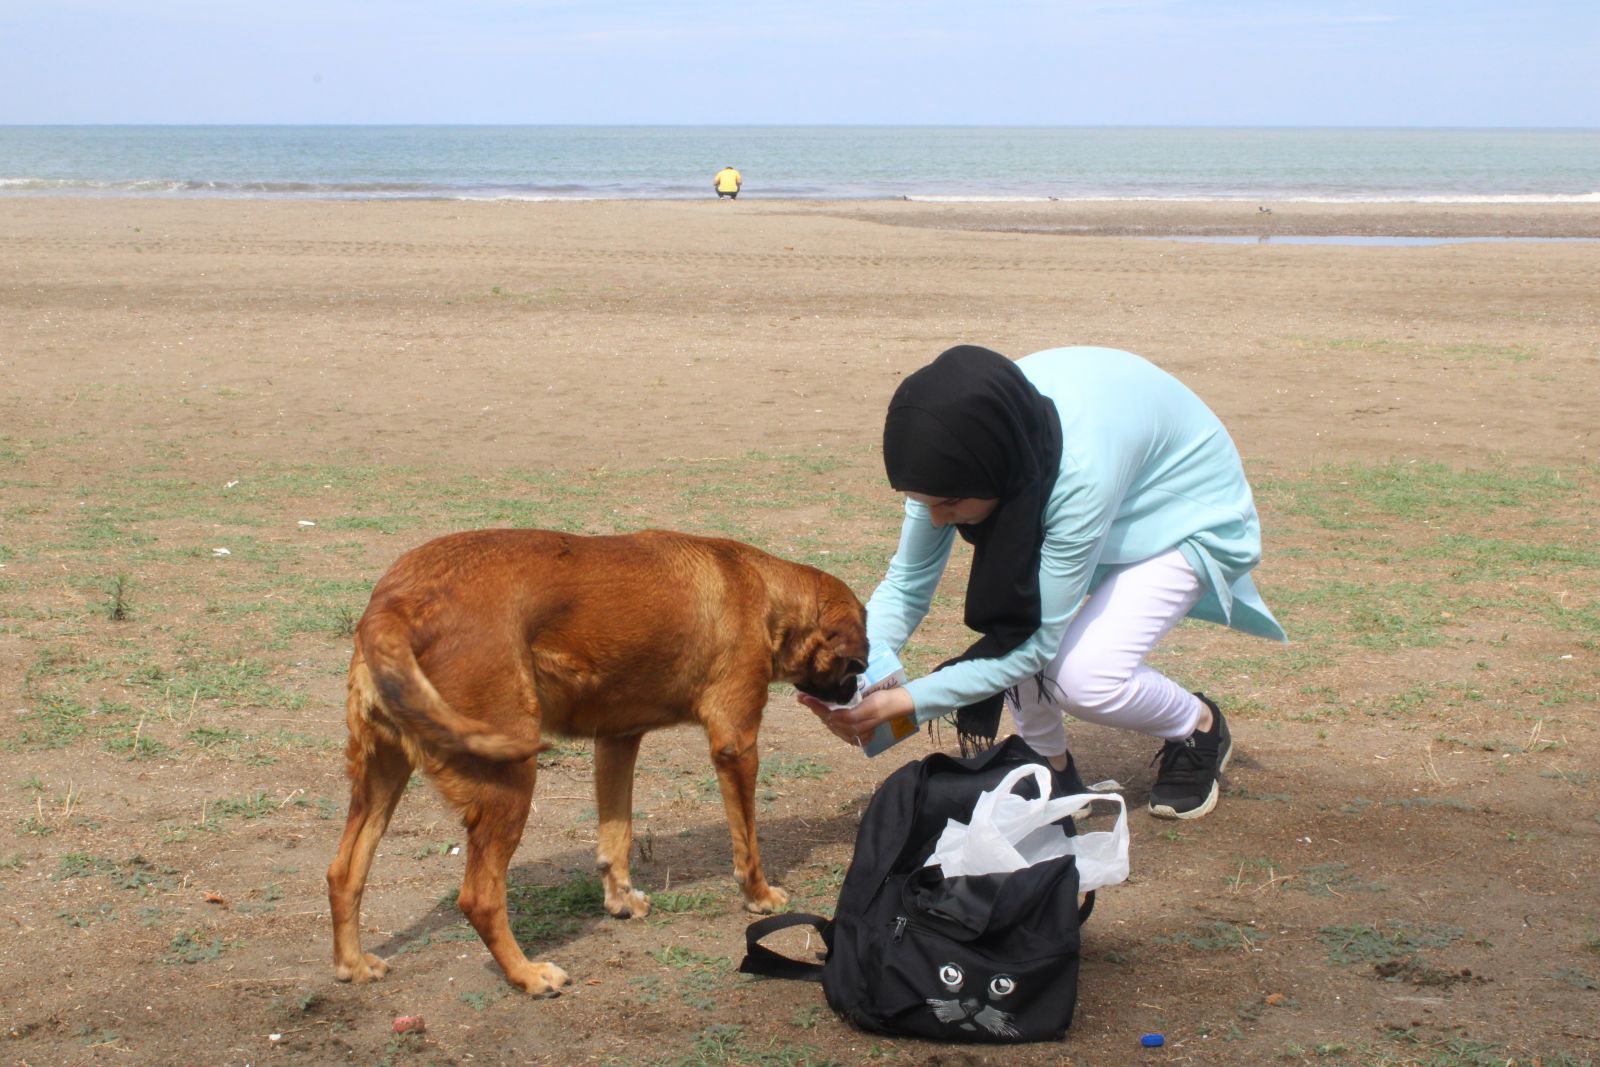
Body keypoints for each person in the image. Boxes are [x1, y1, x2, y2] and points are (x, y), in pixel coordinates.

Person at [800, 345, 1286, 820]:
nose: (937, 519)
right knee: (1018, 613)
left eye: (948, 503)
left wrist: (909, 703)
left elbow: (1033, 644)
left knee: (1084, 679)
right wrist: (853, 669)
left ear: (992, 471)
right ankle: (1050, 766)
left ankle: (1198, 724)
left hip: (1183, 515)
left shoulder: (1075, 476)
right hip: (1101, 487)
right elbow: (908, 585)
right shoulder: (961, 446)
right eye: (922, 501)